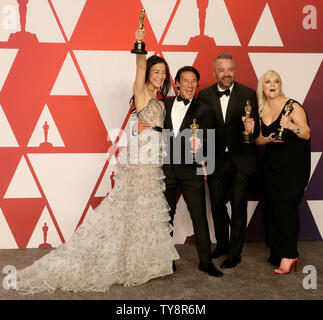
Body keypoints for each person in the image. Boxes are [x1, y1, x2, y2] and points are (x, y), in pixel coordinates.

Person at [15, 28, 179, 294]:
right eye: (155, 71)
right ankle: (129, 261)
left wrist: (154, 132)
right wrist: (139, 41)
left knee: (145, 211)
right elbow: (138, 64)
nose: (160, 77)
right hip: (139, 162)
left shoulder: (161, 102)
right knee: (132, 207)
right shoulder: (141, 92)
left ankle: (143, 262)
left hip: (153, 160)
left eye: (163, 73)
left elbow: (161, 131)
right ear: (148, 72)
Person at [140, 65, 223, 277]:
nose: (189, 85)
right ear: (177, 83)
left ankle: (205, 261)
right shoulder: (163, 104)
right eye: (185, 80)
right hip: (166, 168)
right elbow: (150, 125)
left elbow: (213, 140)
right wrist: (137, 127)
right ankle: (166, 260)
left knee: (199, 216)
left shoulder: (204, 110)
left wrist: (201, 145)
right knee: (165, 216)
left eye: (194, 81)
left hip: (191, 169)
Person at [198, 53, 260, 268]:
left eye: (230, 69)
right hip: (215, 159)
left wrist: (253, 129)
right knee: (216, 204)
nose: (227, 74)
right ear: (214, 72)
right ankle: (222, 244)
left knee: (238, 205)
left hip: (241, 159)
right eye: (222, 70)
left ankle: (235, 253)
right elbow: (201, 129)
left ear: (235, 70)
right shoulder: (204, 95)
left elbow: (256, 127)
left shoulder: (249, 94)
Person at [253, 70, 310, 274]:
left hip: (293, 166)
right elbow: (258, 139)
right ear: (262, 86)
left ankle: (289, 254)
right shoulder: (261, 109)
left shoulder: (292, 106)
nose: (272, 85)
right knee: (273, 208)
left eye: (276, 81)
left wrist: (292, 126)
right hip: (271, 166)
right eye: (268, 82)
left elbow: (306, 133)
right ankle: (277, 252)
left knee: (286, 209)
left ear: (280, 84)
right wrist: (268, 139)